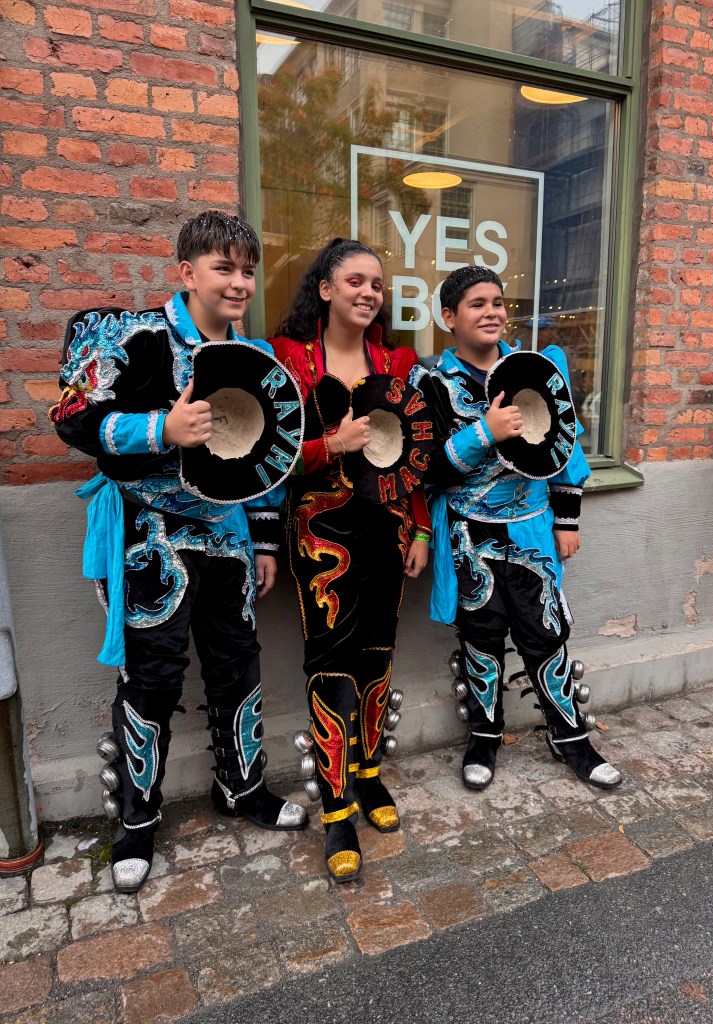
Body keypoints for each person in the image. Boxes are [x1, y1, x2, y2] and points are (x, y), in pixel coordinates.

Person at [50, 210, 308, 895]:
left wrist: (263, 540)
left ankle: (243, 788)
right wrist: (161, 427)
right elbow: (71, 415)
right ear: (186, 272)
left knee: (237, 662)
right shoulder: (134, 336)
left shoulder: (257, 358)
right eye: (224, 268)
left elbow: (269, 458)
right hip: (150, 534)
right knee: (153, 675)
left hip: (227, 537)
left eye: (248, 271)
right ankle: (136, 822)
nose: (239, 282)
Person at [415, 265, 621, 793]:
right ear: (448, 317)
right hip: (467, 534)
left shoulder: (534, 370)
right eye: (477, 304)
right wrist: (484, 432)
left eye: (498, 302)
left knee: (545, 632)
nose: (492, 312)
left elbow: (564, 448)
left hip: (531, 529)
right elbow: (424, 469)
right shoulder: (430, 383)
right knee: (480, 636)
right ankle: (484, 737)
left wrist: (567, 518)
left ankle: (570, 737)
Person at [270, 237, 431, 883]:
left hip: (388, 529)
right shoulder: (288, 358)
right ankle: (336, 806)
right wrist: (330, 445)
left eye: (377, 285)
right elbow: (267, 451)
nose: (368, 292)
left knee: (377, 654)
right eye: (355, 281)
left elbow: (414, 456)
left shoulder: (397, 361)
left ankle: (368, 773)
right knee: (331, 658)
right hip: (323, 532)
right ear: (326, 288)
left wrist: (421, 529)